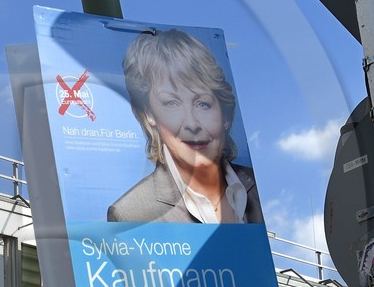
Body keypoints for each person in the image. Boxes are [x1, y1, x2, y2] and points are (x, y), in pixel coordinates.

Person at [107, 28, 263, 225]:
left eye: (203, 104)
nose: (191, 124)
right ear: (149, 114)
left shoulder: (260, 187)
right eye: (171, 103)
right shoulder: (131, 214)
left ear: (224, 114)